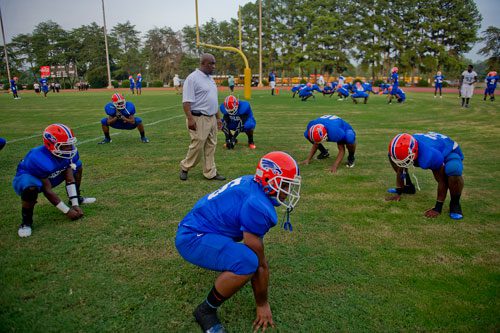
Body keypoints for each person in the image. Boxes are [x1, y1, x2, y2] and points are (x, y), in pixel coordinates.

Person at [175, 151, 301, 333]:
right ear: (268, 179)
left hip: (197, 226)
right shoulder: (257, 205)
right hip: (193, 237)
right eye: (285, 184)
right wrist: (262, 303)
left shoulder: (253, 183)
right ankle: (206, 311)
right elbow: (260, 265)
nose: (288, 191)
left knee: (248, 256)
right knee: (248, 261)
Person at [12, 124, 96, 238]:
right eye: (65, 146)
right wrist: (67, 211)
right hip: (29, 177)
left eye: (70, 144)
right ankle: (26, 223)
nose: (70, 148)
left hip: (50, 174)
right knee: (30, 188)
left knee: (78, 166)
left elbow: (69, 177)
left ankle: (77, 199)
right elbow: (47, 190)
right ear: (50, 144)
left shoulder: (67, 152)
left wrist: (75, 204)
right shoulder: (37, 158)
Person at [386, 132, 464, 220]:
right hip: (430, 144)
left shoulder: (430, 155)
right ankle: (408, 187)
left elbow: (442, 181)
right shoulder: (406, 146)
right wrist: (399, 191)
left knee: (453, 170)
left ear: (414, 151)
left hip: (449, 149)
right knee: (395, 157)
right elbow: (400, 166)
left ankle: (455, 203)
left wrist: (437, 208)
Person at [179, 53, 225, 182]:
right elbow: (186, 102)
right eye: (211, 63)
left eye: (214, 63)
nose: (214, 66)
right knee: (198, 145)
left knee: (211, 146)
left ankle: (210, 172)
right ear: (203, 63)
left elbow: (213, 101)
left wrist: (218, 118)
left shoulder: (210, 79)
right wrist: (190, 119)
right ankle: (185, 167)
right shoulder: (192, 78)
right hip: (198, 117)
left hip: (211, 118)